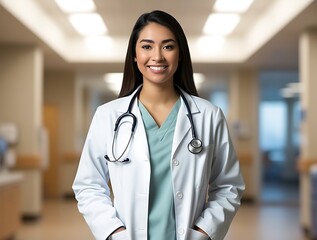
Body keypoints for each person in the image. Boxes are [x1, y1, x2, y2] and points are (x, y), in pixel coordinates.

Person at [73, 10, 245, 240]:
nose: (157, 56)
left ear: (180, 54)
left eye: (168, 46)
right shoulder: (108, 116)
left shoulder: (208, 116)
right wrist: (114, 232)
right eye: (146, 46)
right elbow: (88, 186)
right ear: (134, 55)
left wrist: (205, 232)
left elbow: (228, 185)